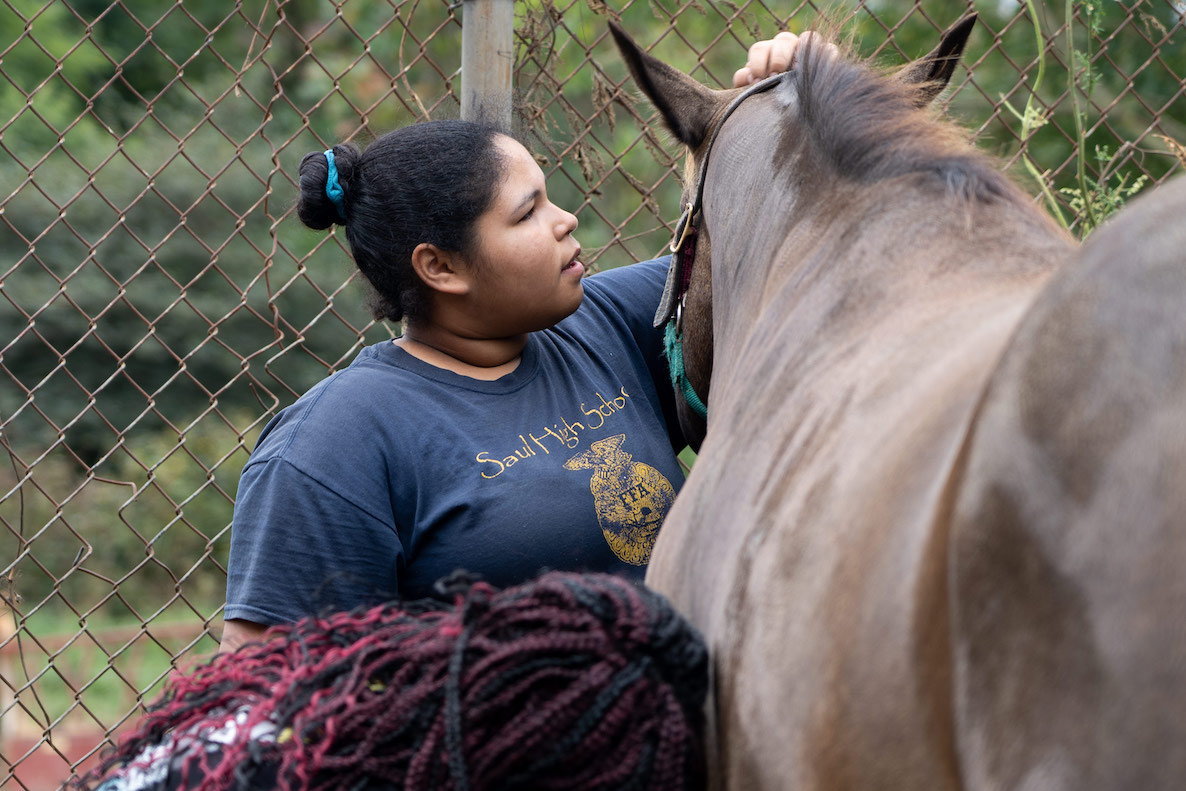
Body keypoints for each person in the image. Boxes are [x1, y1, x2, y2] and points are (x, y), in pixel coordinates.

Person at [221, 31, 814, 653]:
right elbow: (261, 694)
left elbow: (757, 252)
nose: (566, 220)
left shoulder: (604, 326)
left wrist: (772, 104)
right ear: (441, 267)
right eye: (527, 213)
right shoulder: (335, 445)